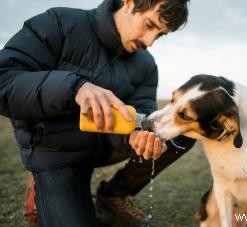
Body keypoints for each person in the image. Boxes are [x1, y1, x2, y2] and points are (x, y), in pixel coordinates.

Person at [0, 0, 195, 226]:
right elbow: (3, 80)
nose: (150, 41)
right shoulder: (60, 22)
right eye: (150, 25)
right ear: (129, 3)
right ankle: (42, 185)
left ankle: (112, 194)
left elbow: (141, 114)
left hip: (105, 145)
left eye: (160, 35)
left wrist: (135, 137)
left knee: (184, 130)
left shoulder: (146, 65)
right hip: (56, 153)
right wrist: (73, 88)